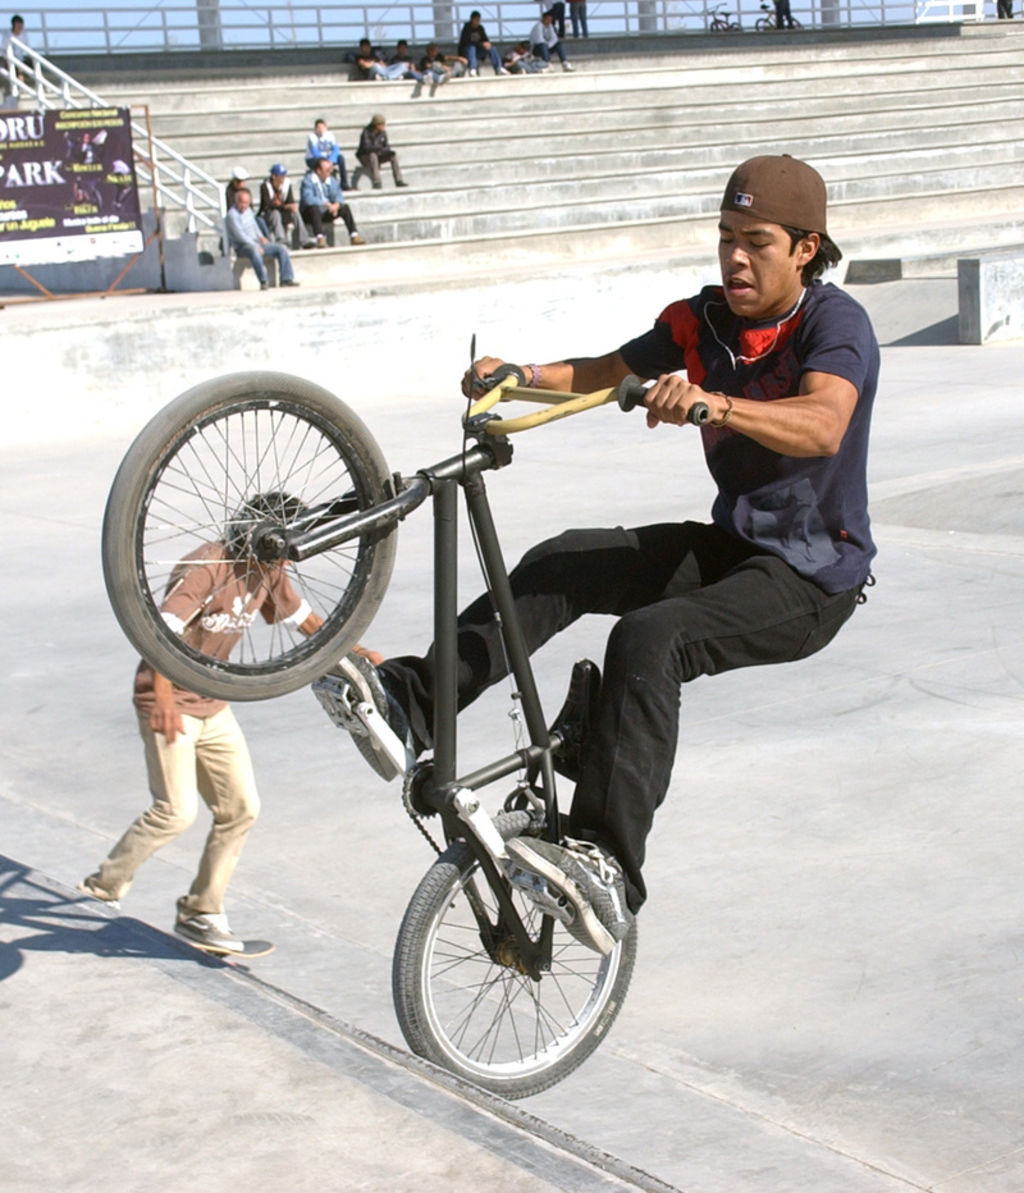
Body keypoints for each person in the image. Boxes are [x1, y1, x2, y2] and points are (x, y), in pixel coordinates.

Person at [328, 154, 878, 957]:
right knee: (565, 560)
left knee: (652, 636)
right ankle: (414, 701)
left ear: (805, 248)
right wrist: (519, 376)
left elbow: (824, 423)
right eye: (725, 236)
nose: (734, 257)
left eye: (755, 242)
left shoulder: (836, 325)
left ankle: (607, 862)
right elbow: (605, 371)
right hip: (734, 545)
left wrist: (713, 403)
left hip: (811, 578)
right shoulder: (702, 319)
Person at [78, 495, 323, 952]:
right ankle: (103, 887)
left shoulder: (269, 567)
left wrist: (350, 650)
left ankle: (201, 911)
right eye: (284, 547)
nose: (288, 558)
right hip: (168, 701)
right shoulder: (205, 568)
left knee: (241, 808)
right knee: (175, 812)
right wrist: (162, 697)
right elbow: (159, 634)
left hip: (212, 705)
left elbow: (298, 617)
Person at [224, 186, 299, 288]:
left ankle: (286, 278)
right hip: (243, 246)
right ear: (236, 201)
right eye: (242, 203)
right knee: (255, 251)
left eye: (246, 203)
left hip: (256, 242)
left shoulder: (248, 211)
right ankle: (263, 281)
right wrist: (255, 245)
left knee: (281, 248)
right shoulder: (232, 215)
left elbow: (254, 226)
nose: (244, 206)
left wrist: (260, 237)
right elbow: (240, 236)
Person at [299, 155, 365, 247]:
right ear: (319, 170)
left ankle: (354, 235)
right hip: (310, 214)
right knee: (314, 207)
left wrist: (336, 205)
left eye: (330, 170)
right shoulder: (308, 180)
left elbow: (338, 195)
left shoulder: (331, 180)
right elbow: (308, 199)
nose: (329, 172)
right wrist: (326, 204)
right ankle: (320, 237)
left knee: (345, 208)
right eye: (327, 170)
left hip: (327, 211)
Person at [258, 163, 307, 247]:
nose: (283, 179)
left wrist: (289, 206)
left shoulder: (286, 185)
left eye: (284, 176)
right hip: (268, 214)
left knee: (295, 211)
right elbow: (267, 205)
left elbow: (290, 201)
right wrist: (284, 206)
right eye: (281, 177)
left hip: (283, 212)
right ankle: (281, 238)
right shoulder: (265, 186)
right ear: (274, 177)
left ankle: (304, 240)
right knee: (275, 213)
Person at [353, 113, 407, 190]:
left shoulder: (383, 133)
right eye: (382, 124)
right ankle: (377, 181)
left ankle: (398, 180)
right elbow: (367, 148)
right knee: (373, 155)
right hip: (365, 157)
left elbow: (386, 146)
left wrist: (386, 152)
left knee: (393, 156)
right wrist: (379, 149)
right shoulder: (366, 133)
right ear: (377, 125)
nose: (384, 126)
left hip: (379, 154)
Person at [305, 118, 350, 190]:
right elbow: (315, 152)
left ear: (326, 128)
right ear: (315, 129)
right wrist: (325, 163)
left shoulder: (330, 135)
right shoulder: (312, 137)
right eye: (318, 128)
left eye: (322, 127)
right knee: (319, 162)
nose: (320, 130)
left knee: (340, 158)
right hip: (312, 158)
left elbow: (336, 149)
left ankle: (344, 184)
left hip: (327, 157)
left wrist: (331, 160)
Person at [458, 11, 508, 76]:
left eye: (478, 20)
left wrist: (487, 44)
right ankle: (473, 68)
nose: (477, 22)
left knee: (492, 48)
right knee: (472, 47)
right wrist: (481, 44)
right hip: (467, 52)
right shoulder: (466, 28)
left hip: (478, 51)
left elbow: (485, 40)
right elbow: (466, 42)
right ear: (472, 19)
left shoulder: (480, 28)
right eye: (476, 20)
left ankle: (499, 68)